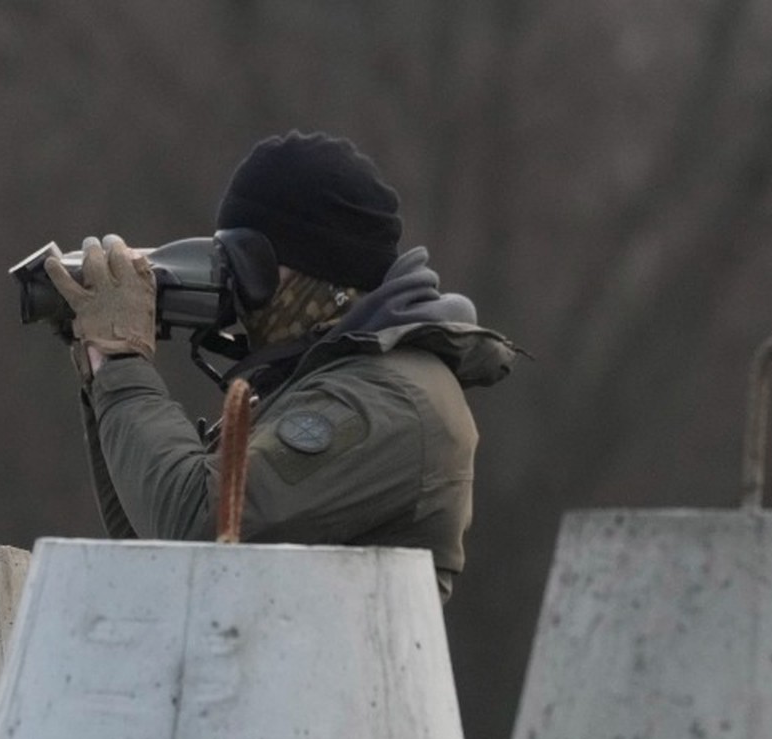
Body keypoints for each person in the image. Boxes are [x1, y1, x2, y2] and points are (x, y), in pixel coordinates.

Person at [45, 131, 517, 600]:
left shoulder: (387, 402)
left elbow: (198, 530)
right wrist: (103, 367)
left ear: (322, 269)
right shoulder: (329, 383)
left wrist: (125, 366)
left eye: (247, 262)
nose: (234, 289)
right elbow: (151, 548)